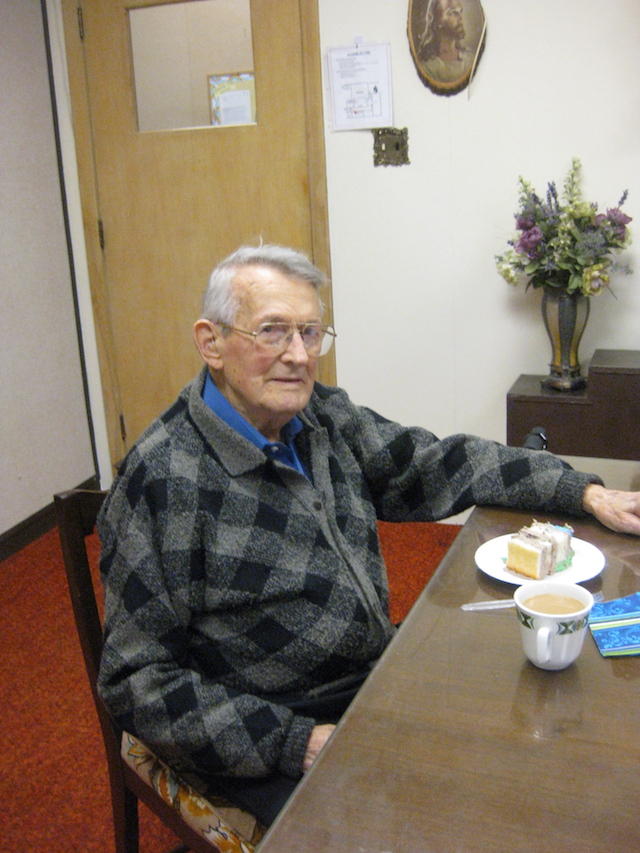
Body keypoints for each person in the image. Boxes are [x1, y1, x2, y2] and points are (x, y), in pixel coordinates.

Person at [97, 244, 640, 827]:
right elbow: (135, 681)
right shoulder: (163, 478)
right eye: (273, 332)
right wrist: (294, 742)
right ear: (211, 343)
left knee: (531, 750)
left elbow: (437, 462)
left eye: (310, 332)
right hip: (270, 724)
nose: (298, 356)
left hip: (372, 674)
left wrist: (582, 492)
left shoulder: (321, 417)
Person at [418, 0, 474, 84]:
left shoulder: (469, 57)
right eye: (453, 13)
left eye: (460, 12)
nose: (461, 19)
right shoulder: (429, 67)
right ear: (437, 20)